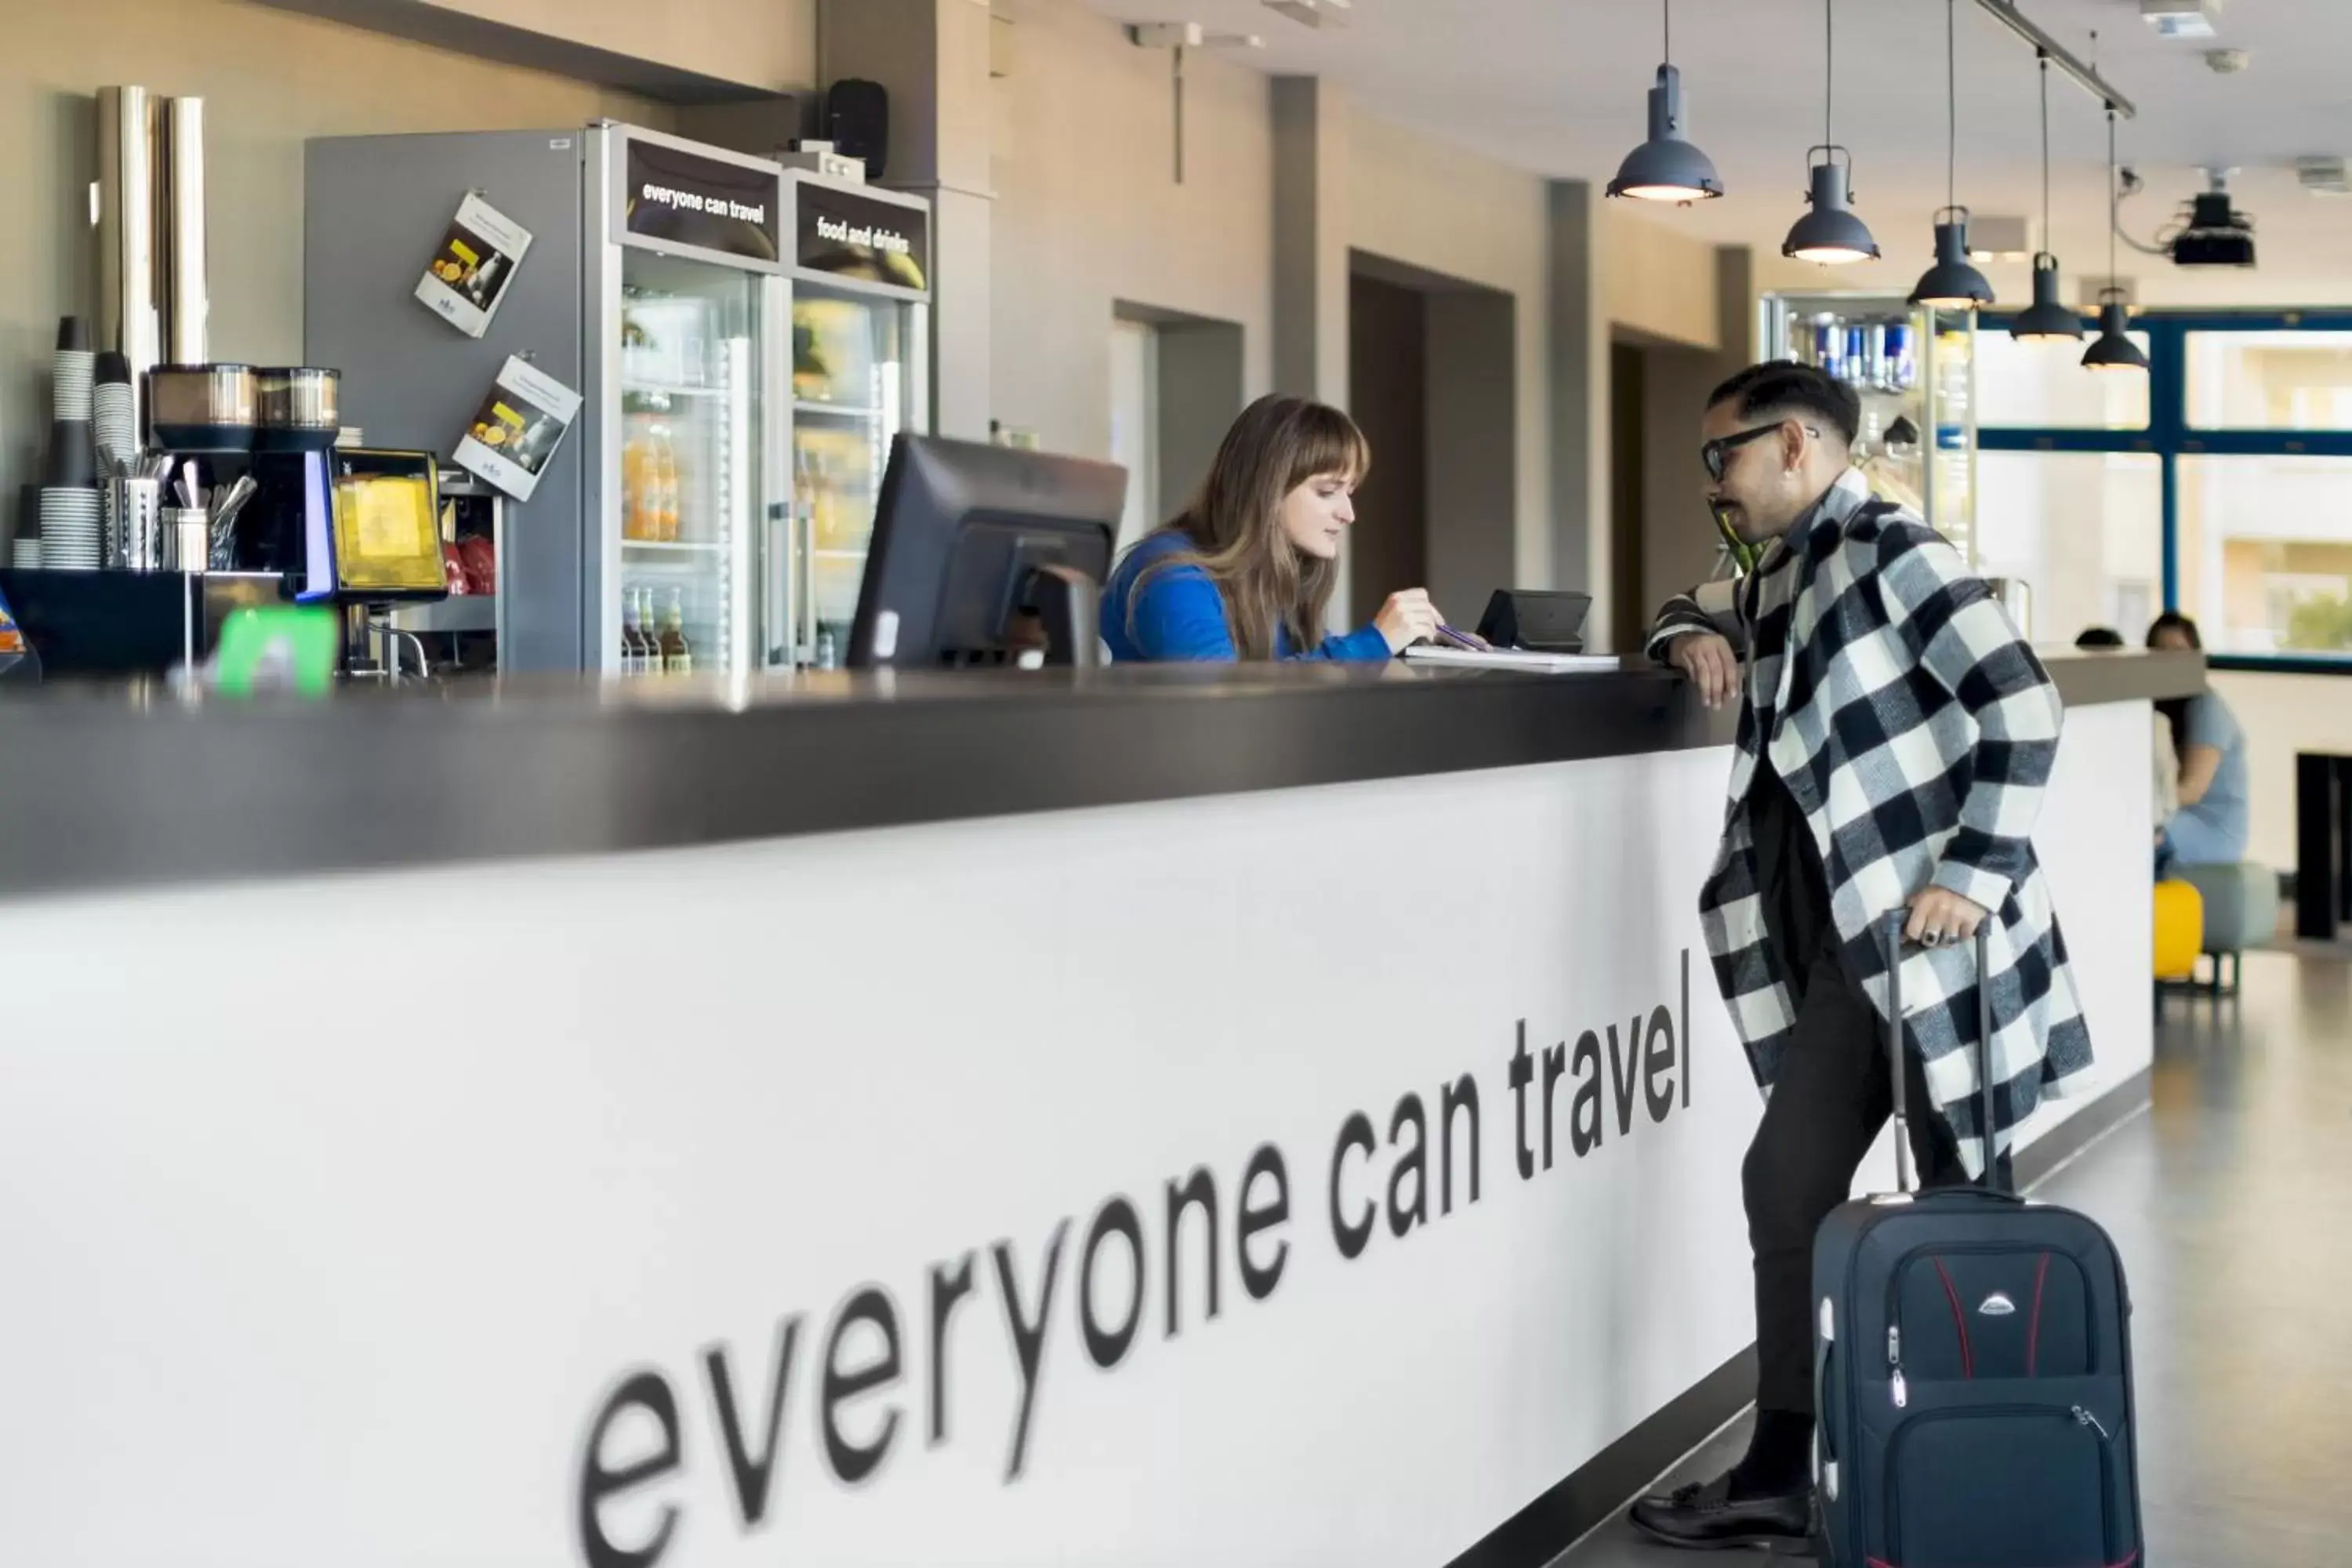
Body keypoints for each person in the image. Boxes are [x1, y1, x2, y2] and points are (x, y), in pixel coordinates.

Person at [1628, 361, 2095, 1552]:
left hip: (1937, 949)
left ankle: (1978, 1473)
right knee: (1786, 1185)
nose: (1714, 486)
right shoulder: (1787, 568)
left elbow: (2023, 704)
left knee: (1964, 1212)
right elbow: (1679, 605)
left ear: (1792, 444)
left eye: (1720, 457)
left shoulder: (1896, 552)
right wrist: (1688, 634)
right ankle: (1782, 1467)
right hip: (1852, 955)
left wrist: (1967, 874)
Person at [1098, 394, 1445, 662]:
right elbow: (1226, 701)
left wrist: (1409, 647)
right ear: (1266, 490)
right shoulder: (1171, 576)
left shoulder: (1269, 577)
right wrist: (1374, 643)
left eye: (1349, 492)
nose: (1348, 513)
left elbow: (1307, 673)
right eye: (1327, 492)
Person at [2146, 611, 2252, 871]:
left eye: (2178, 651)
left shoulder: (2207, 708)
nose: (2169, 661)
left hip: (2211, 827)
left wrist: (2137, 807)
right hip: (2179, 817)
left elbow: (2191, 790)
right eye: (2160, 652)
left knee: (2139, 834)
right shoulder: (2160, 705)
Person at [2076, 626, 2181, 849]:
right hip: (2147, 840)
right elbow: (2169, 801)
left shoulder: (2069, 724)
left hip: (2087, 838)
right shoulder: (2155, 722)